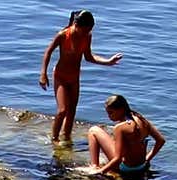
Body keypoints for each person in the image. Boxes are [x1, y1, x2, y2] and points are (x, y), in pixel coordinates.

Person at [39, 10, 122, 144]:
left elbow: (89, 57)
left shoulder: (87, 36)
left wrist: (108, 62)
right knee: (62, 110)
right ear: (76, 25)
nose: (86, 33)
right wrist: (43, 74)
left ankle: (66, 137)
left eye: (89, 30)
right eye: (85, 30)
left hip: (74, 77)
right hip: (60, 76)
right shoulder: (63, 35)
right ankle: (54, 139)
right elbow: (48, 52)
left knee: (72, 110)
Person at [86, 94, 165, 179]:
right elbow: (161, 140)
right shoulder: (141, 119)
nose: (109, 116)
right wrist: (147, 159)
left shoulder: (120, 128)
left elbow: (118, 159)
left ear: (121, 110)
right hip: (142, 165)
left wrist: (100, 172)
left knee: (93, 130)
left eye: (111, 113)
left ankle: (94, 166)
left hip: (125, 168)